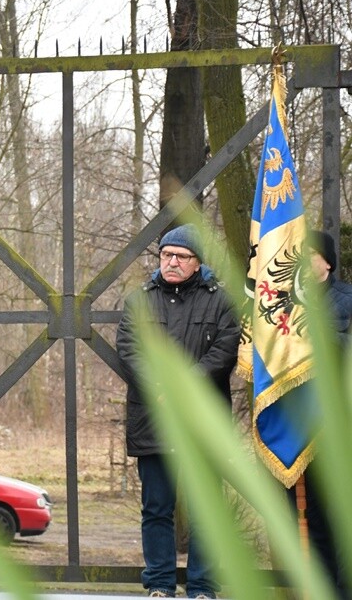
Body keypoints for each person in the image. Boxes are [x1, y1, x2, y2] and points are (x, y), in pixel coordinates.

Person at [115, 224, 240, 599]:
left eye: (180, 257)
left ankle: (202, 587)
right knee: (156, 508)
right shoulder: (139, 299)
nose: (171, 262)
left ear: (198, 263)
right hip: (154, 419)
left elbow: (225, 348)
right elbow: (129, 350)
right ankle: (159, 585)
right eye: (166, 255)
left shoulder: (221, 301)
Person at [293, 230, 352, 598]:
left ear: (327, 261)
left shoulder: (347, 299)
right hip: (303, 425)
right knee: (312, 515)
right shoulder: (284, 304)